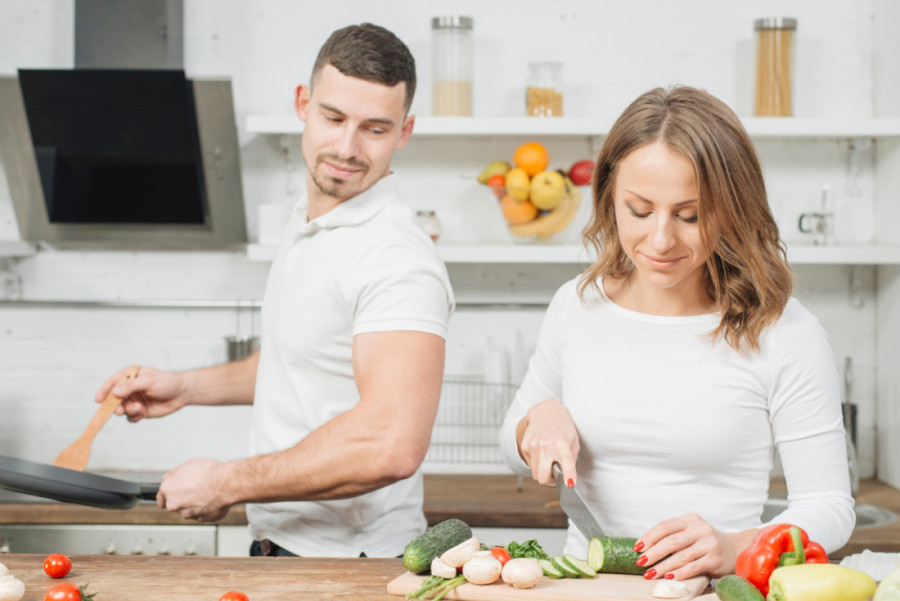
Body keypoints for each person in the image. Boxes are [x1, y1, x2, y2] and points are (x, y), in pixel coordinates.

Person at [95, 23, 454, 558]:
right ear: (303, 104)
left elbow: (390, 444)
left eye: (375, 129)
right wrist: (185, 387)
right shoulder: (311, 220)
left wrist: (226, 483)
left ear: (404, 133)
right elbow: (301, 358)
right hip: (281, 548)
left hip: (347, 567)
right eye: (333, 118)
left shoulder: (397, 259)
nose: (347, 148)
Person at [499, 86, 854, 581]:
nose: (661, 239)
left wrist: (733, 548)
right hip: (584, 588)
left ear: (733, 208)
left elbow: (830, 507)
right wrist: (540, 418)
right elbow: (512, 443)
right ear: (609, 197)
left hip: (714, 591)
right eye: (639, 211)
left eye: (690, 215)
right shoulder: (577, 304)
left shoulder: (784, 331)